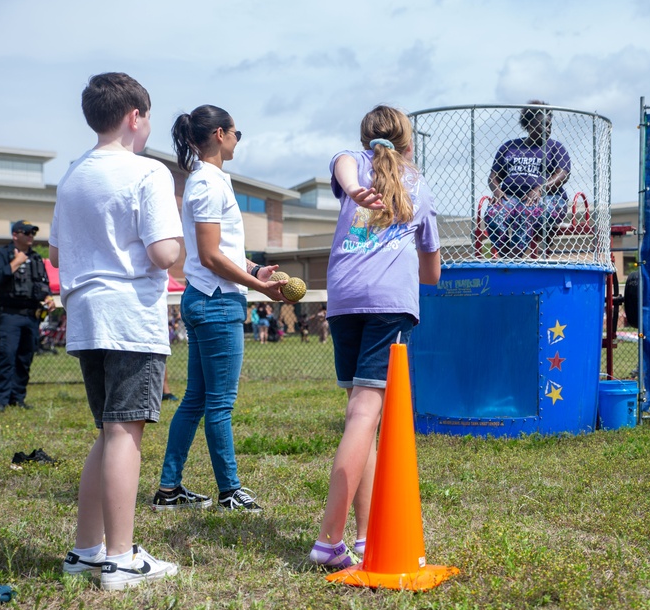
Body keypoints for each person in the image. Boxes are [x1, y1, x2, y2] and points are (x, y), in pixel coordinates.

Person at [51, 72, 182, 590]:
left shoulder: (72, 173)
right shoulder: (147, 173)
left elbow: (58, 254)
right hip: (129, 315)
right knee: (126, 432)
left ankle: (86, 551)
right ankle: (120, 560)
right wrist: (177, 246)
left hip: (85, 315)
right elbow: (163, 252)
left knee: (109, 432)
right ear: (135, 117)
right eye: (147, 117)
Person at [309, 105, 441, 569]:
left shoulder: (353, 163)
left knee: (359, 416)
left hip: (345, 301)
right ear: (409, 143)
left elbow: (343, 163)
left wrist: (353, 193)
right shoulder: (419, 186)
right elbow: (432, 273)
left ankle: (365, 539)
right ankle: (329, 540)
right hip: (388, 303)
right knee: (366, 414)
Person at [152, 104, 284, 514]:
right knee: (219, 404)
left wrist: (257, 267)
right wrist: (258, 286)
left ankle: (169, 489)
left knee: (195, 399)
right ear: (222, 135)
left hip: (208, 298)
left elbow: (224, 251)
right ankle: (230, 491)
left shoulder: (208, 180)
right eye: (237, 133)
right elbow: (210, 256)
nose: (237, 140)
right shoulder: (209, 183)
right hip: (216, 302)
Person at [485, 101, 571, 259]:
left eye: (549, 125)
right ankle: (507, 257)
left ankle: (516, 257)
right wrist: (497, 190)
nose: (548, 129)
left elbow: (562, 174)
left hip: (550, 198)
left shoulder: (555, 148)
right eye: (543, 125)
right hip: (512, 198)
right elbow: (493, 176)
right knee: (493, 214)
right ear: (530, 124)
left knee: (526, 211)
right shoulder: (509, 147)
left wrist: (540, 189)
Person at [0, 220, 55, 413]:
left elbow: (43, 284)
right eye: (26, 233)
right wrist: (16, 263)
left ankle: (17, 398)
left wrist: (48, 298)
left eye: (32, 233)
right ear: (15, 235)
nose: (30, 236)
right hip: (9, 315)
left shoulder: (36, 258)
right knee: (6, 357)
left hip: (31, 315)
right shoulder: (2, 254)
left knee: (24, 358)